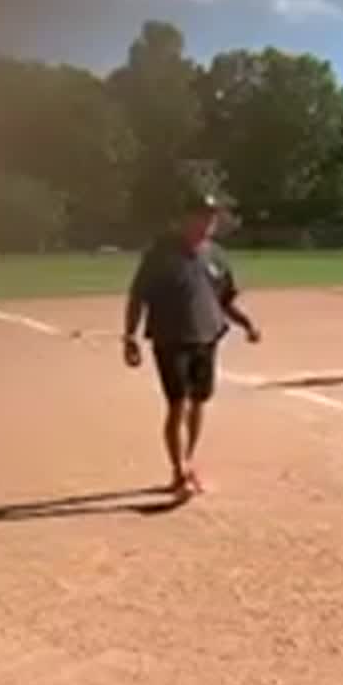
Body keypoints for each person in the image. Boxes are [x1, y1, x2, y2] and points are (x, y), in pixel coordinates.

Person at [121, 193, 261, 496]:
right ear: (186, 217)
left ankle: (188, 461)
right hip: (171, 338)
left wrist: (246, 323)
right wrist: (130, 336)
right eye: (202, 215)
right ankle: (179, 472)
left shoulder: (217, 256)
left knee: (199, 403)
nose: (209, 221)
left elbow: (224, 300)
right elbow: (138, 296)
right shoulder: (161, 253)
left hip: (207, 337)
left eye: (213, 216)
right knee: (177, 404)